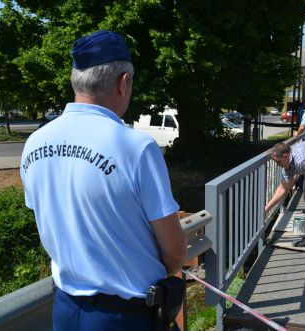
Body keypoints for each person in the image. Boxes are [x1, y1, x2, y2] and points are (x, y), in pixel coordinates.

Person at [20, 30, 187, 330]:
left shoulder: (35, 143)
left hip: (66, 309)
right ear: (123, 83)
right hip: (125, 317)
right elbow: (174, 253)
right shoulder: (136, 147)